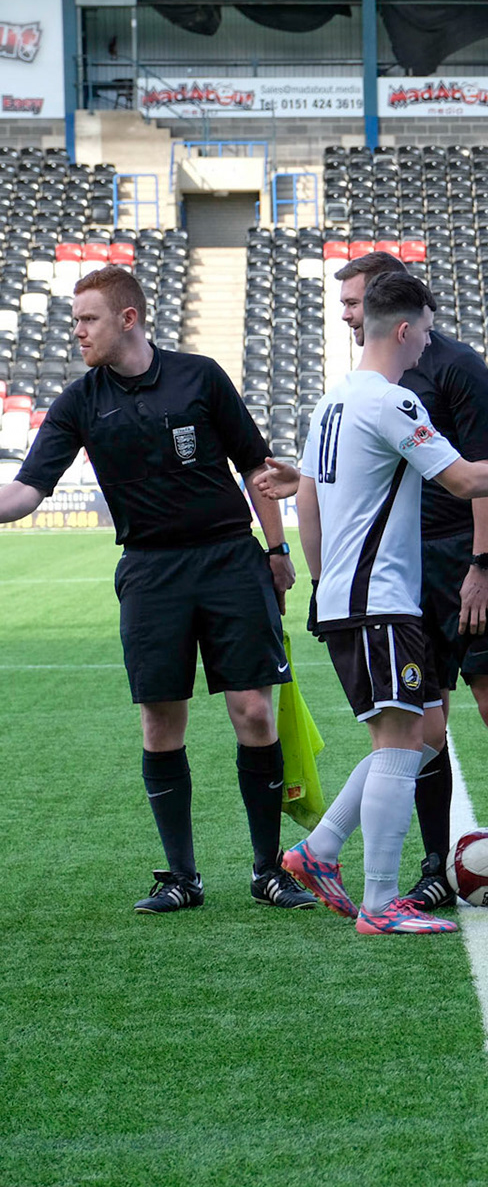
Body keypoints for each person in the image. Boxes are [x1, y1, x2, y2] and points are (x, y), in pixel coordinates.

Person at [0, 266, 314, 914]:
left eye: (87, 318)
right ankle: (181, 877)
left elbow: (258, 467)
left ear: (128, 318)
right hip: (149, 571)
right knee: (159, 720)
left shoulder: (200, 376)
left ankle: (266, 870)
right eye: (75, 320)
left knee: (254, 711)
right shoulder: (79, 402)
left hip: (230, 560)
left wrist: (277, 550)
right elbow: (27, 491)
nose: (77, 330)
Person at [268, 272, 488, 934]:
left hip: (349, 595)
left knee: (416, 738)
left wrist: (323, 579)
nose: (429, 340)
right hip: (383, 602)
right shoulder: (393, 404)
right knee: (401, 743)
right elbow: (461, 477)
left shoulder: (332, 403)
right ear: (403, 329)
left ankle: (319, 851)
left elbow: (306, 499)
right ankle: (379, 904)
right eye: (424, 327)